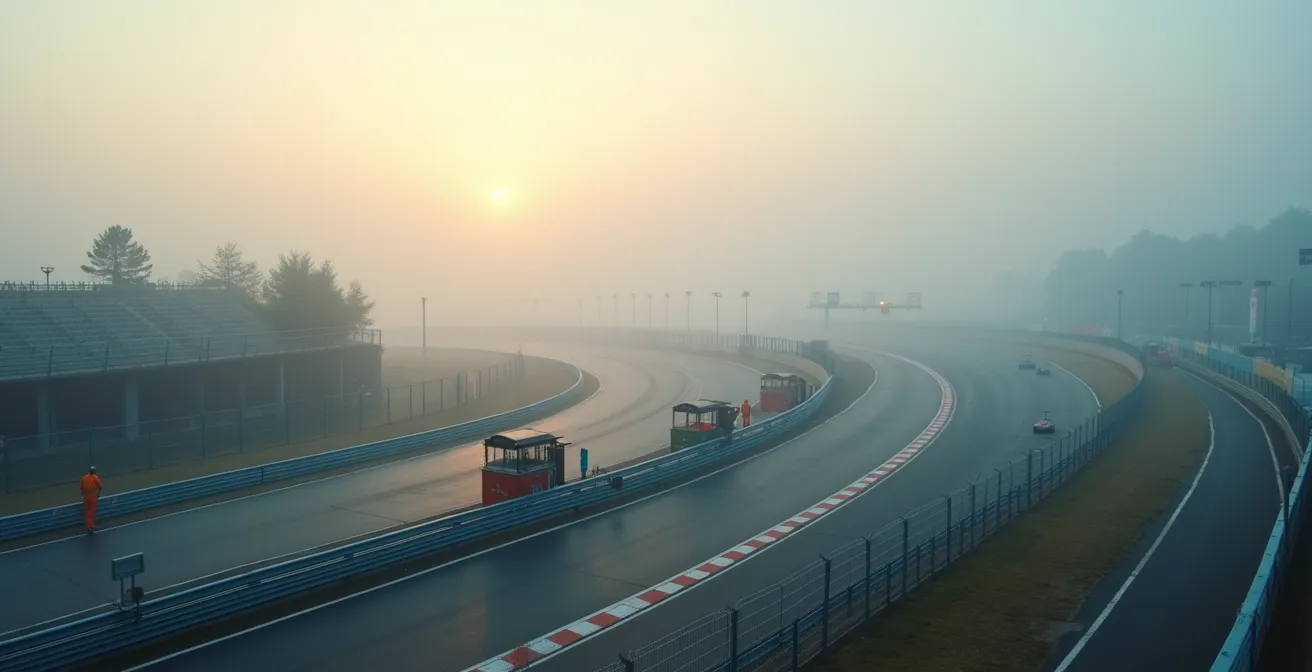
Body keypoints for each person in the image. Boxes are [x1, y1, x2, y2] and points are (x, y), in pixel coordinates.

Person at [80, 466, 103, 534]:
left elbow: (81, 488)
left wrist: (82, 495)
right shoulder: (95, 478)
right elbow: (100, 487)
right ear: (94, 471)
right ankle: (91, 526)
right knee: (91, 511)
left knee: (86, 511)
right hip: (93, 496)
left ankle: (88, 525)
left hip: (86, 496)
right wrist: (98, 494)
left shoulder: (84, 478)